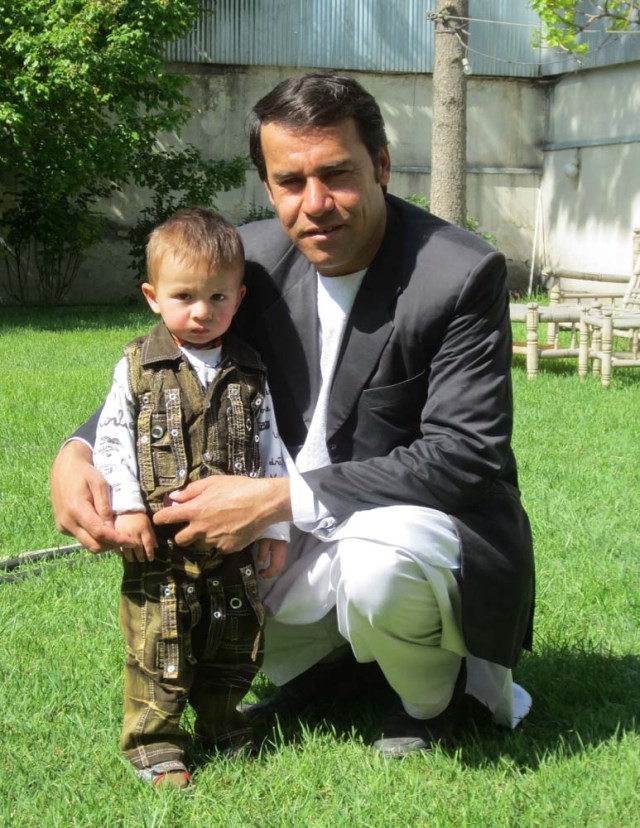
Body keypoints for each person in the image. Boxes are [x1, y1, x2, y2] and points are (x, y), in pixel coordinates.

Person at [51, 73, 535, 759]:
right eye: (289, 182)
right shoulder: (254, 263)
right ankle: (334, 671)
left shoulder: (457, 274)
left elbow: (465, 456)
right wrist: (77, 452)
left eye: (337, 174)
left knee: (379, 564)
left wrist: (275, 499)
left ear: (383, 167)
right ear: (268, 184)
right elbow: (171, 361)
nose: (315, 205)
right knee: (192, 551)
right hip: (293, 531)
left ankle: (430, 700)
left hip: (417, 530)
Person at [92, 207, 289, 787]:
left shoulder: (251, 369)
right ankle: (155, 744)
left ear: (239, 296)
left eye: (218, 298)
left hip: (232, 542)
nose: (202, 312)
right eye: (184, 297)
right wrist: (128, 508)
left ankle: (225, 724)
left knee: (234, 641)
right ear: (153, 296)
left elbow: (271, 448)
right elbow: (112, 440)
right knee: (160, 643)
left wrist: (273, 527)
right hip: (160, 546)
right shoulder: (138, 365)